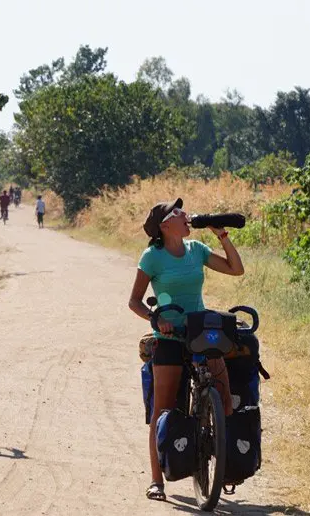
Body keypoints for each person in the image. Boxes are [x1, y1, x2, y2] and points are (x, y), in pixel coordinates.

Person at [128, 198, 244, 502]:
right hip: (168, 338)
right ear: (166, 225)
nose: (186, 215)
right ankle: (157, 481)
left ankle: (215, 453)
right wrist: (157, 318)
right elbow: (135, 301)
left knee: (225, 401)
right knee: (162, 410)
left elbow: (236, 269)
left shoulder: (196, 250)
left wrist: (222, 235)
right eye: (179, 212)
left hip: (200, 331)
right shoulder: (152, 257)